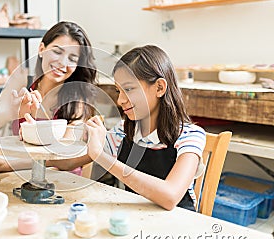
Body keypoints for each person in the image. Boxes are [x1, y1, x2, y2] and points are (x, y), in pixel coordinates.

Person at [85, 45, 206, 211]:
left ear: (159, 88)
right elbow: (70, 162)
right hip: (137, 220)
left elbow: (170, 197)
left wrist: (102, 157)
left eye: (128, 89)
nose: (120, 100)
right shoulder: (123, 131)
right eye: (118, 91)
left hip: (177, 227)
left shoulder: (190, 135)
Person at [0, 21, 97, 174]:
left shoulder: (76, 99)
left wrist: (8, 165)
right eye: (57, 52)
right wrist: (11, 113)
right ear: (42, 49)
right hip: (23, 172)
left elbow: (61, 158)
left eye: (72, 59)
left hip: (60, 177)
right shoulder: (22, 80)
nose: (62, 63)